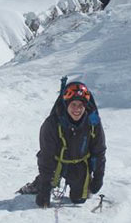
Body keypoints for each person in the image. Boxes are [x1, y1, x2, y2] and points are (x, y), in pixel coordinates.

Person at [19, 79, 106, 208]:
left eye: (81, 105)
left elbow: (98, 152)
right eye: (73, 105)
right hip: (56, 163)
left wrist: (98, 177)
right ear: (66, 104)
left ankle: (82, 183)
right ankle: (39, 184)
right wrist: (44, 188)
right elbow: (46, 157)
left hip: (79, 165)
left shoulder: (93, 123)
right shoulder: (52, 124)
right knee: (49, 181)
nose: (77, 109)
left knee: (79, 199)